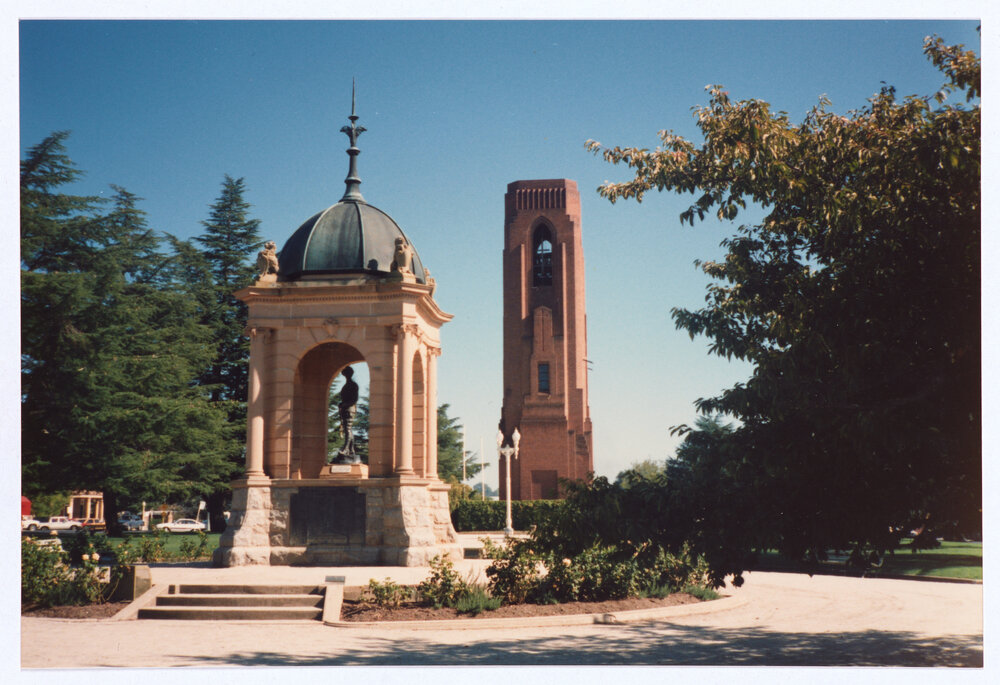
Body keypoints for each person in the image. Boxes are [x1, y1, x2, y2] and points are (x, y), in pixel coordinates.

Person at [336, 366, 360, 463]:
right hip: (345, 409)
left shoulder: (353, 385)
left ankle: (346, 448)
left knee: (347, 429)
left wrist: (344, 404)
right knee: (348, 429)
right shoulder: (346, 385)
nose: (345, 375)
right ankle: (351, 449)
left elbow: (354, 399)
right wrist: (341, 404)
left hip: (350, 409)